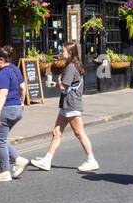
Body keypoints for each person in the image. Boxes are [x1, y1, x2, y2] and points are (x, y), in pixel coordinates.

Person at [30, 42, 98, 172]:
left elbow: (64, 87)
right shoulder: (72, 65)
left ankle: (91, 160)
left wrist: (54, 83)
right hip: (68, 104)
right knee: (56, 132)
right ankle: (47, 160)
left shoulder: (71, 67)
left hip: (71, 103)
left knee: (79, 133)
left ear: (70, 53)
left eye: (63, 51)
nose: (61, 53)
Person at [0, 45, 29, 182]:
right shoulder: (14, 69)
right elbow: (23, 87)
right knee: (1, 139)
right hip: (15, 108)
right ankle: (18, 160)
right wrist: (21, 103)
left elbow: (3, 93)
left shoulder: (4, 73)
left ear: (0, 59)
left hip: (5, 110)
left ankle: (5, 171)